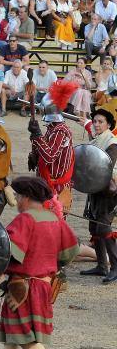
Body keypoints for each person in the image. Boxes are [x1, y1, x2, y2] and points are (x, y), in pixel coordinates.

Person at [0, 176, 78, 349]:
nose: (17, 201)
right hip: (43, 286)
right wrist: (50, 264)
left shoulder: (24, 220)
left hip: (24, 287)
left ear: (26, 198)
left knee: (26, 336)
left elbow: (8, 253)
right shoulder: (56, 219)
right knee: (12, 329)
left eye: (18, 197)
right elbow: (70, 252)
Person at [77, 109, 117, 282]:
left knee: (104, 228)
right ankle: (102, 266)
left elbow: (106, 167)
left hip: (110, 191)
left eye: (101, 122)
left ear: (108, 124)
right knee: (94, 228)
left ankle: (115, 266)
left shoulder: (112, 143)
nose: (97, 124)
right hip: (96, 189)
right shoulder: (96, 140)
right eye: (95, 121)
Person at [27, 86, 75, 214]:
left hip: (57, 186)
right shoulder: (52, 128)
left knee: (55, 225)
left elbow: (50, 156)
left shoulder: (60, 131)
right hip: (47, 183)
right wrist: (34, 154)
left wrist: (37, 135)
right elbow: (44, 150)